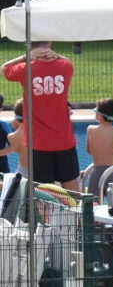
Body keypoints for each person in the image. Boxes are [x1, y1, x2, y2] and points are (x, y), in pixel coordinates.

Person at [3, 42, 81, 190]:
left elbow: (4, 68)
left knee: (44, 189)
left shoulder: (25, 68)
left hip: (38, 141)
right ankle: (76, 206)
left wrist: (25, 57)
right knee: (70, 182)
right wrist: (57, 56)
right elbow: (69, 62)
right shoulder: (65, 66)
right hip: (64, 139)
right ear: (49, 43)